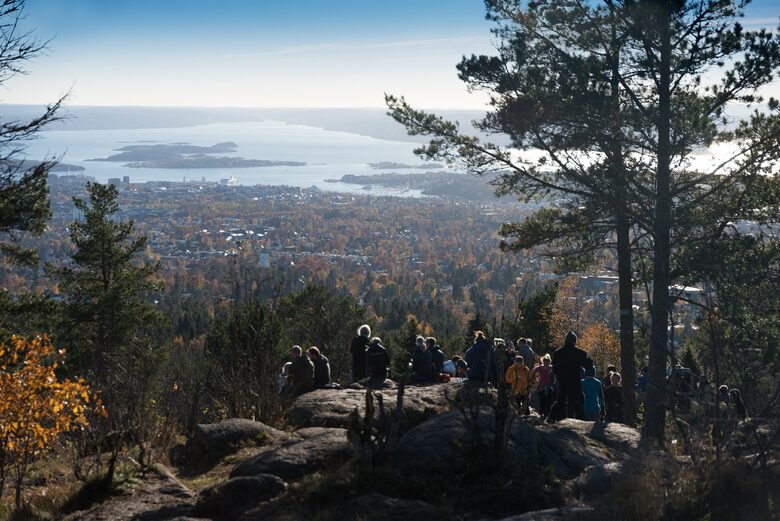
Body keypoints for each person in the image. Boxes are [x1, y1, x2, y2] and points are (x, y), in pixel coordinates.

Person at [547, 331, 587, 421]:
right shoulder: (580, 353)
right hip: (575, 381)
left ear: (565, 340)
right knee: (578, 401)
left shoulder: (557, 353)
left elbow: (554, 369)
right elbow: (586, 365)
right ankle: (581, 420)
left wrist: (559, 376)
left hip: (562, 381)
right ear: (574, 341)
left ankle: (552, 418)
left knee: (560, 401)